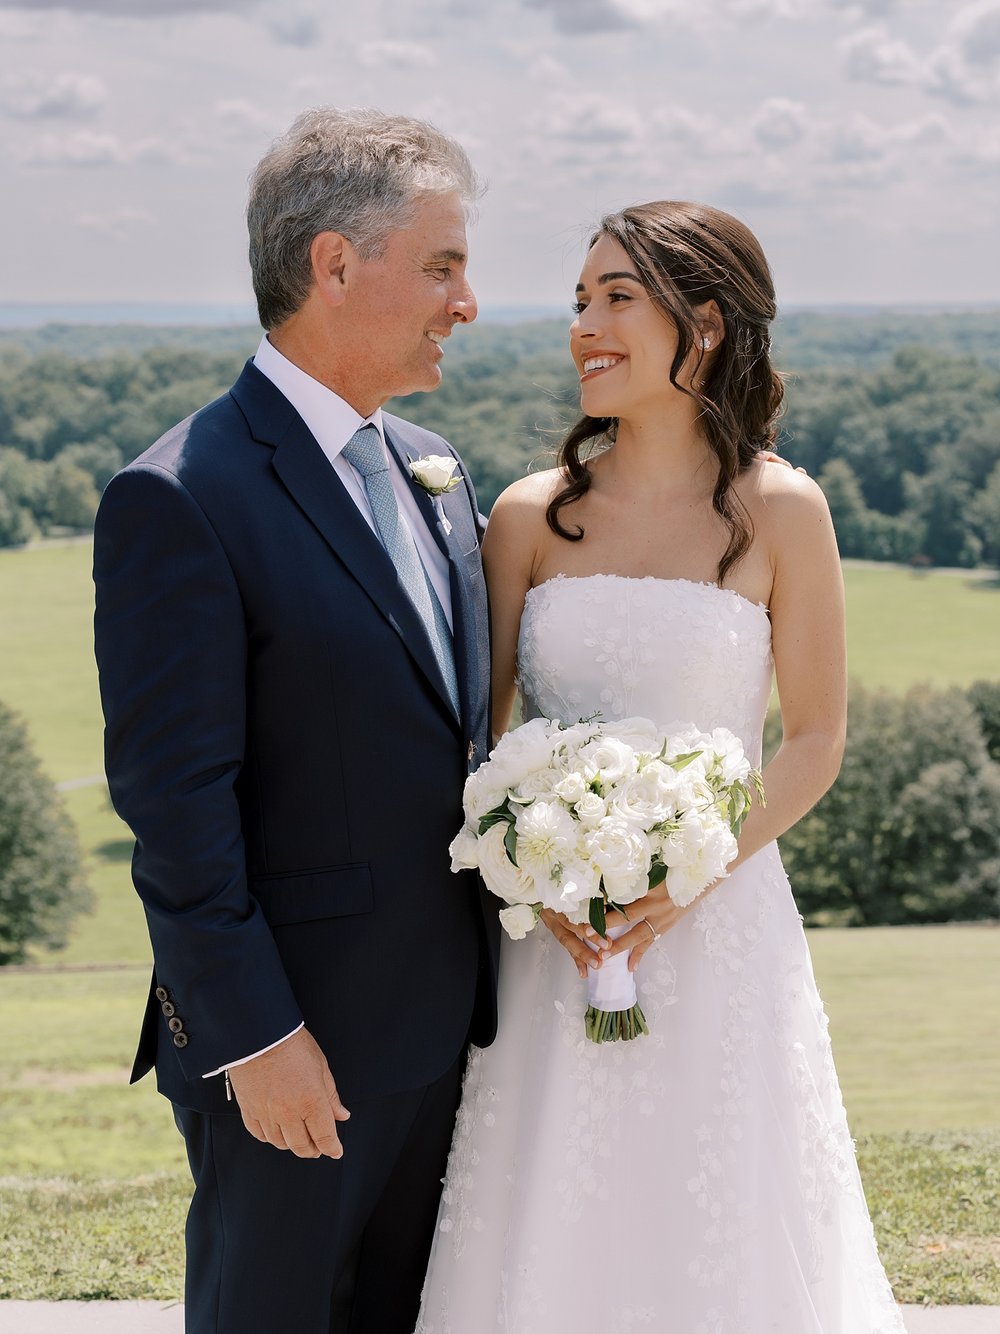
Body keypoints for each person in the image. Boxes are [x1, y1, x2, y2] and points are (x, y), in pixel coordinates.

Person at [417, 201, 907, 1332]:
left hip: (722, 928)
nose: (584, 324)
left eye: (616, 297)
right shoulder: (528, 517)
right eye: (580, 300)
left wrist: (684, 879)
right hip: (556, 938)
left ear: (708, 324)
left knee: (726, 1213)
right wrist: (543, 882)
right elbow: (477, 746)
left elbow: (816, 738)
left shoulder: (782, 509)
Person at [93, 107, 499, 1334]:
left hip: (450, 1034)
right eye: (440, 265)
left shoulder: (434, 468)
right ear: (334, 263)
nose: (466, 302)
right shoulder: (181, 496)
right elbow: (175, 811)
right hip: (293, 1052)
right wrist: (256, 1036)